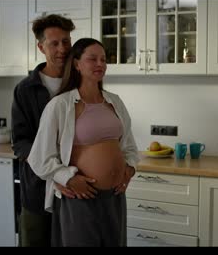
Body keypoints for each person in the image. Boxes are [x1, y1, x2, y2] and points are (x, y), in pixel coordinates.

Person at [27, 38, 139, 247]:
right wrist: (67, 179)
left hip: (114, 197)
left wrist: (129, 169)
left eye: (104, 59)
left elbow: (129, 146)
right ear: (77, 64)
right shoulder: (60, 105)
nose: (100, 64)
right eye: (92, 59)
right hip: (80, 197)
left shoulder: (114, 101)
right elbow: (40, 157)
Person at [11, 14, 81, 247]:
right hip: (37, 191)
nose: (62, 49)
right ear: (41, 47)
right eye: (54, 43)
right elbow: (20, 142)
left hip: (75, 189)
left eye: (66, 41)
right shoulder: (25, 89)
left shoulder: (81, 83)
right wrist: (55, 173)